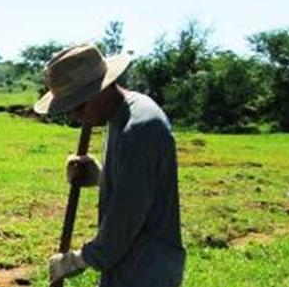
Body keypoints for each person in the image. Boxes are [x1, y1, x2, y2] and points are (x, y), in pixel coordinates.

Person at [35, 44, 185, 287]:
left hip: (147, 273)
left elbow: (123, 222)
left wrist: (77, 260)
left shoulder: (139, 129)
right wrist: (99, 177)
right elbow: (139, 187)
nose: (77, 116)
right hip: (128, 267)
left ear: (102, 88)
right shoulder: (121, 115)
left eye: (80, 105)